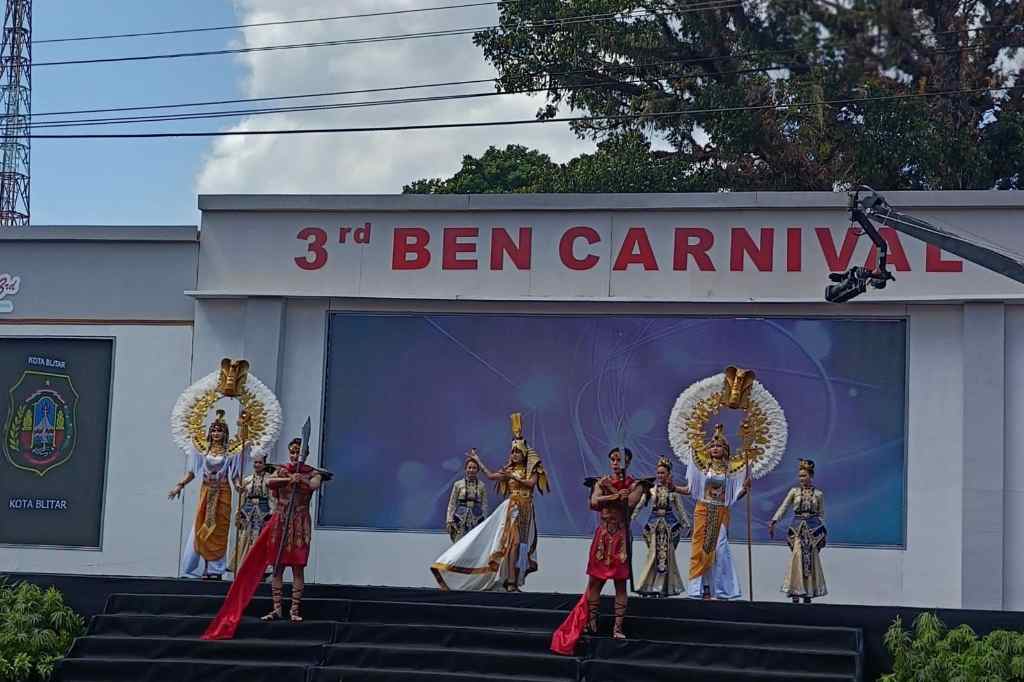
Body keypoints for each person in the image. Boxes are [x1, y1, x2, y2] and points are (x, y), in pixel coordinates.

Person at [430, 413, 549, 592]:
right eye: (513, 452)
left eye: (518, 451)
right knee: (512, 544)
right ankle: (508, 581)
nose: (515, 454)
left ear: (524, 453)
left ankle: (514, 581)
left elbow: (532, 483)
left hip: (527, 509)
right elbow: (492, 476)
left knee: (523, 546)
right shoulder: (509, 470)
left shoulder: (531, 468)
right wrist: (478, 461)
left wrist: (517, 444)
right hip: (513, 509)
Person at [168, 410, 242, 580]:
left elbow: (235, 475)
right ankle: (196, 566)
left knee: (220, 529)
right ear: (210, 432)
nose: (217, 433)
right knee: (203, 526)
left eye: (220, 430)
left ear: (225, 434)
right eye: (214, 430)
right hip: (207, 491)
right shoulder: (202, 449)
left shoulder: (231, 451)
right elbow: (192, 472)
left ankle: (215, 570)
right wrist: (179, 485)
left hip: (223, 492)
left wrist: (239, 486)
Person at [686, 424, 750, 600]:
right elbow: (690, 489)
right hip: (703, 509)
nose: (715, 448)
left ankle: (722, 590)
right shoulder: (703, 468)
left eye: (719, 446)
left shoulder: (730, 470)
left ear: (725, 449)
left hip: (720, 510)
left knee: (720, 549)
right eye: (712, 445)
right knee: (700, 549)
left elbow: (734, 496)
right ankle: (697, 589)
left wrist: (745, 489)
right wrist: (672, 487)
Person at [262, 438, 322, 622]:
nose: (296, 456)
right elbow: (269, 483)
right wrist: (289, 478)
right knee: (277, 567)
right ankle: (277, 608)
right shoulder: (282, 470)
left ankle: (295, 609)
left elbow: (314, 485)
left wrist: (301, 478)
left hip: (299, 522)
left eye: (299, 452)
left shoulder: (313, 473)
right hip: (280, 521)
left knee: (298, 567)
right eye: (293, 452)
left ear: (306, 454)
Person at [769, 458, 827, 604]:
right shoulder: (794, 491)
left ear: (811, 476)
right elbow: (784, 506)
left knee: (810, 561)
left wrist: (823, 532)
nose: (801, 478)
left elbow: (821, 514)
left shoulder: (818, 494)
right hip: (797, 530)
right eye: (800, 476)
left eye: (804, 475)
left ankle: (808, 593)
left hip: (813, 531)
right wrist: (774, 520)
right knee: (797, 558)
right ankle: (795, 590)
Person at [634, 457, 691, 598]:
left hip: (669, 528)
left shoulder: (673, 492)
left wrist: (687, 525)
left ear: (669, 474)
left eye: (663, 473)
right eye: (658, 473)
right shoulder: (651, 491)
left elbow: (680, 509)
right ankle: (647, 586)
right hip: (654, 527)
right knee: (653, 555)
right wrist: (630, 518)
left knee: (666, 557)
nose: (660, 475)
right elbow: (640, 505)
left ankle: (663, 588)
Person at [228, 451, 275, 574]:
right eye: (255, 462)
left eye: (260, 462)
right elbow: (242, 497)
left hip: (263, 514)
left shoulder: (269, 480)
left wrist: (272, 512)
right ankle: (243, 566)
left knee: (260, 541)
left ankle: (261, 569)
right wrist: (239, 512)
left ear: (265, 464)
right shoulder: (247, 480)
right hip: (249, 513)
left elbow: (271, 498)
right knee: (245, 538)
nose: (257, 465)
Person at [445, 455, 488, 542]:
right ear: (465, 469)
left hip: (476, 518)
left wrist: (485, 520)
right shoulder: (458, 484)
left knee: (474, 542)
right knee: (459, 542)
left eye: (474, 468)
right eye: (469, 467)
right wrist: (449, 519)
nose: (471, 470)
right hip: (460, 518)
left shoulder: (482, 485)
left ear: (478, 470)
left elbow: (485, 504)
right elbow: (452, 503)